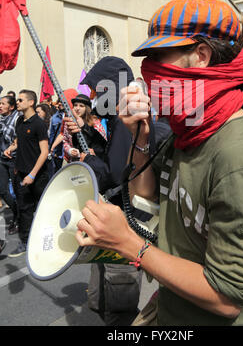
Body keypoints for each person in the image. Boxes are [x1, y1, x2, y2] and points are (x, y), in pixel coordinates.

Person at [75, 0, 243, 326]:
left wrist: (129, 245)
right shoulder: (186, 130)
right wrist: (140, 138)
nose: (150, 69)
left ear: (200, 56)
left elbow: (227, 296)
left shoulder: (241, 152)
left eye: (160, 56)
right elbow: (146, 204)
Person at [65, 57, 145, 326]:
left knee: (119, 283)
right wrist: (85, 131)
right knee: (102, 282)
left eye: (99, 90)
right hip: (113, 213)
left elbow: (114, 173)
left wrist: (88, 160)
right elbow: (108, 152)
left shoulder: (126, 121)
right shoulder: (118, 117)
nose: (96, 97)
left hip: (126, 216)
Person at [4, 90, 49, 257]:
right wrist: (12, 147)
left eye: (21, 99)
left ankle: (47, 240)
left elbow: (44, 152)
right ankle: (26, 242)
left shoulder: (39, 124)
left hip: (38, 175)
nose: (17, 102)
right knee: (24, 210)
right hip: (21, 173)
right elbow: (19, 141)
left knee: (44, 208)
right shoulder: (20, 122)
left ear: (31, 102)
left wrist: (32, 174)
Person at [0, 95, 19, 239]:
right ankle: (17, 211)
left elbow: (18, 140)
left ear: (11, 107)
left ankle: (18, 219)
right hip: (2, 158)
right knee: (3, 191)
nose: (0, 106)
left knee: (18, 191)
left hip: (14, 158)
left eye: (3, 104)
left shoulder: (17, 119)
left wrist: (11, 149)